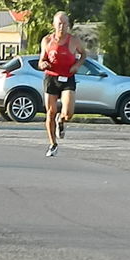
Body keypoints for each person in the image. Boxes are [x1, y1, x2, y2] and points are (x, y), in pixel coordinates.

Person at [38, 11, 87, 157]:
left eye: (65, 23)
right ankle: (53, 144)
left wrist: (78, 65)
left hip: (67, 78)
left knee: (68, 113)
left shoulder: (74, 40)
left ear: (68, 25)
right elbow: (41, 61)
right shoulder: (47, 41)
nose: (62, 26)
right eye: (59, 23)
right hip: (51, 78)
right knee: (50, 112)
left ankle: (62, 120)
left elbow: (83, 54)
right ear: (54, 25)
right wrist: (43, 64)